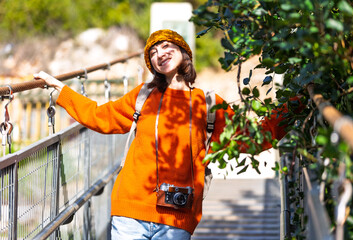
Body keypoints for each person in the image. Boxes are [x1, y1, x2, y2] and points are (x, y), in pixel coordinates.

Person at [34, 29, 290, 239]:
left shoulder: (208, 103)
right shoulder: (144, 96)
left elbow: (250, 138)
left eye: (167, 46)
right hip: (129, 211)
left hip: (177, 217)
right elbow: (101, 117)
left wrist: (297, 107)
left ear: (184, 53)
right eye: (153, 52)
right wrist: (62, 91)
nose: (160, 53)